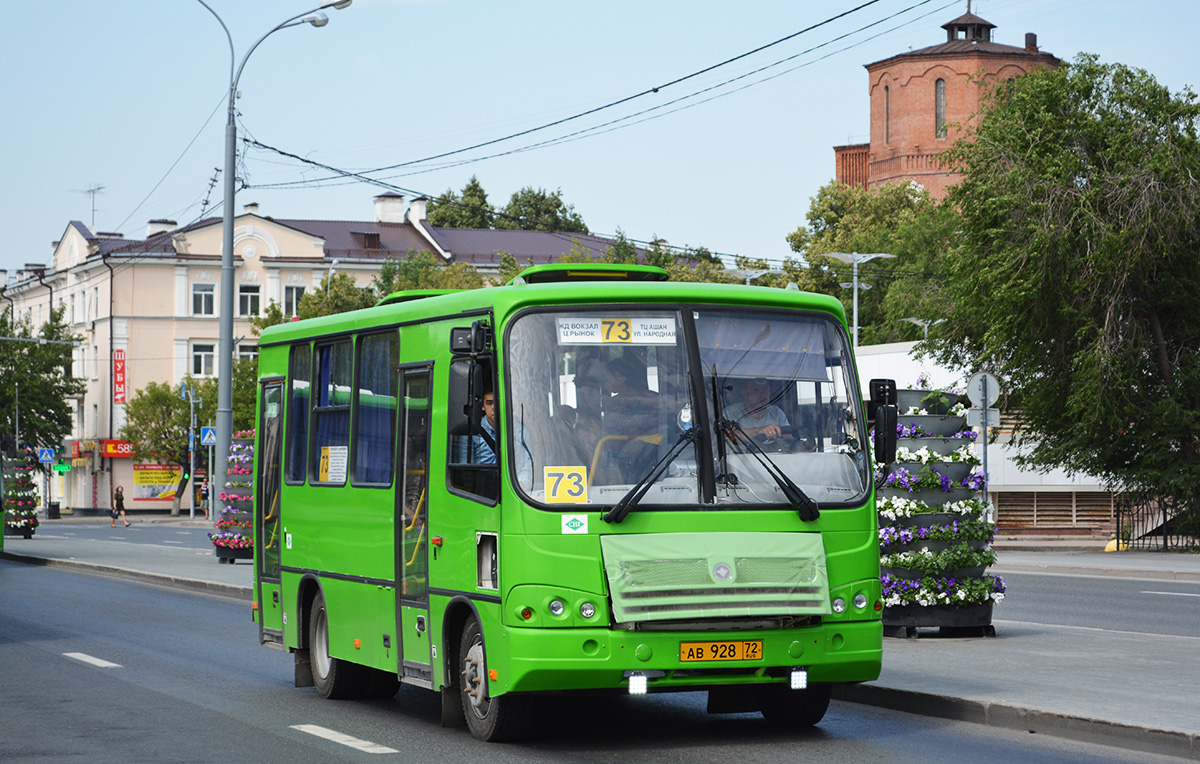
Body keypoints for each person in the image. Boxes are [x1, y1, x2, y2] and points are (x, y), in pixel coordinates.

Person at [725, 378, 795, 447]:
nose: (762, 395)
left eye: (765, 390)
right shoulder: (731, 412)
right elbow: (732, 436)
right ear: (745, 394)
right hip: (740, 457)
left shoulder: (776, 412)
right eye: (756, 390)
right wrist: (759, 431)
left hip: (773, 458)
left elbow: (788, 438)